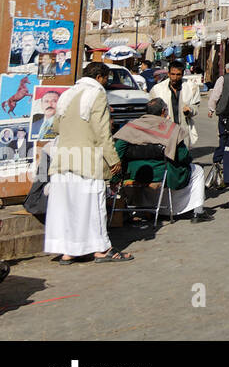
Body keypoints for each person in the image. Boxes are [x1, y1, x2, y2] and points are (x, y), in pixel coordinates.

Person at [43, 62, 132, 264]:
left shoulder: (66, 94)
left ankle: (69, 251)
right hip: (87, 160)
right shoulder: (96, 94)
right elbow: (102, 131)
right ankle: (101, 249)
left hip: (64, 159)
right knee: (92, 206)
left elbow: (56, 126)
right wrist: (113, 159)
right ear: (99, 77)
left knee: (68, 207)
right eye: (106, 79)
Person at [113, 98, 213, 223]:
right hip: (162, 174)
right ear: (163, 111)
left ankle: (148, 209)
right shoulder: (171, 128)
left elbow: (117, 150)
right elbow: (182, 156)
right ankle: (198, 212)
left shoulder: (130, 127)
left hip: (134, 174)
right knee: (197, 170)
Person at [149, 60, 199, 135]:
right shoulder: (157, 89)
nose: (175, 78)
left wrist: (190, 110)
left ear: (182, 74)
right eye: (172, 74)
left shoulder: (191, 87)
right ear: (168, 74)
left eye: (178, 75)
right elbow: (151, 110)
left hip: (183, 130)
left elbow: (196, 106)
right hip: (164, 130)